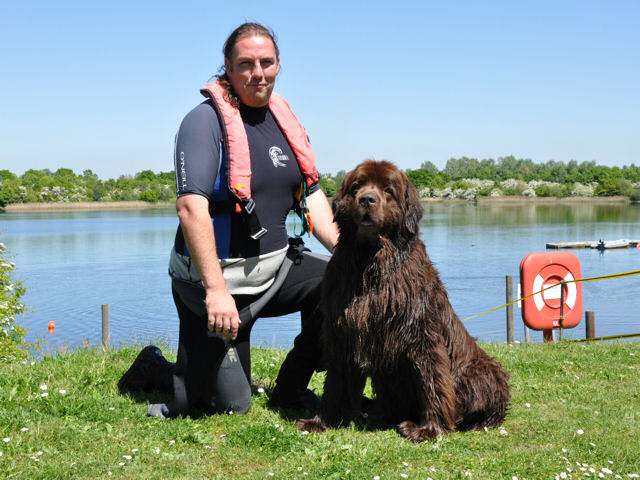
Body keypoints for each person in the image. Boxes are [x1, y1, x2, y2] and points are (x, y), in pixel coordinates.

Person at [118, 22, 339, 418]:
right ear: (227, 66)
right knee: (227, 406)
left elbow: (313, 194)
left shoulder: (283, 119)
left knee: (340, 281)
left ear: (277, 65)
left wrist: (347, 254)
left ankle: (290, 389)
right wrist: (216, 291)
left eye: (267, 63)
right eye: (246, 63)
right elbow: (190, 208)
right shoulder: (202, 123)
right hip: (217, 283)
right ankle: (153, 367)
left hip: (273, 271)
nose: (258, 73)